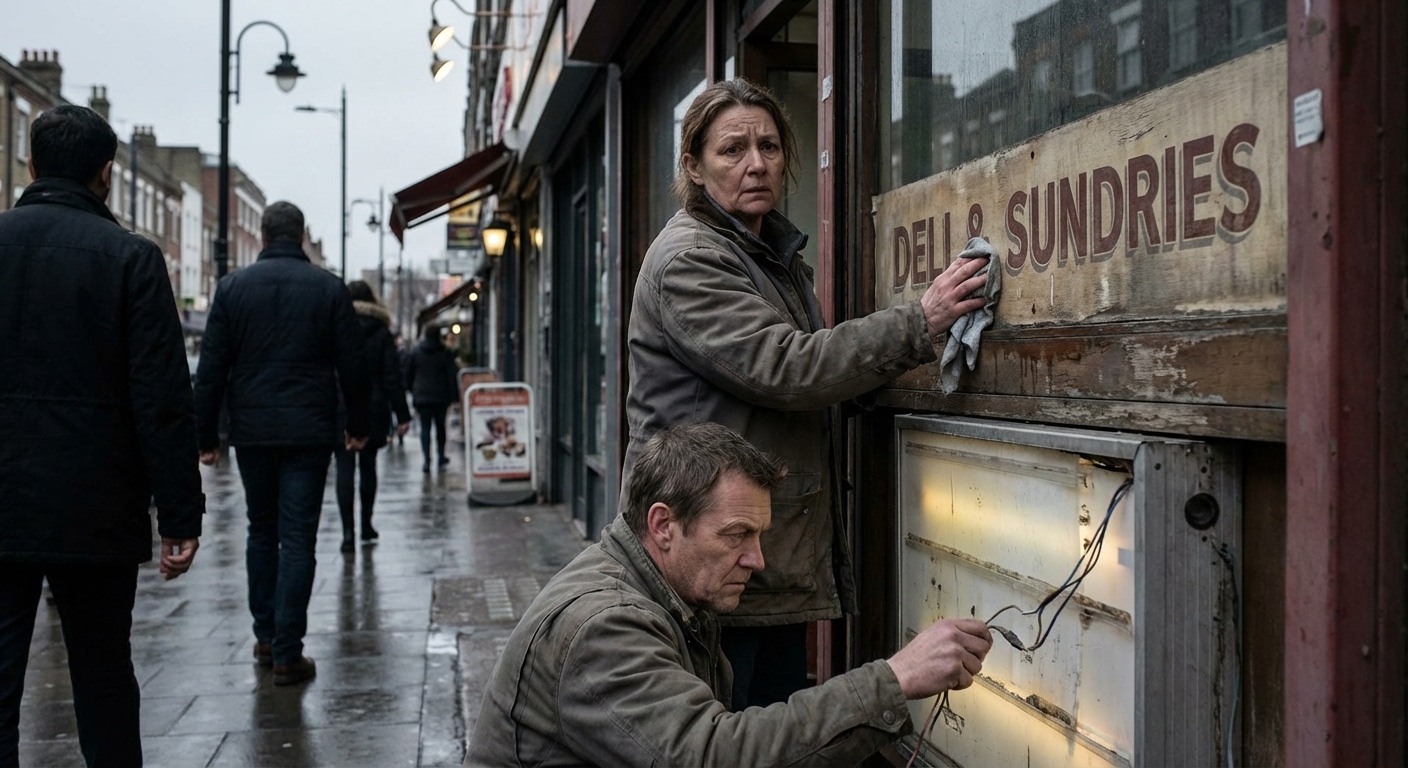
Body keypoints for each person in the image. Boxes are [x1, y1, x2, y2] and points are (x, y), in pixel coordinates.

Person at [621, 77, 993, 710]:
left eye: (768, 145)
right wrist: (919, 321)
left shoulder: (763, 251)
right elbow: (786, 367)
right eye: (732, 150)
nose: (756, 163)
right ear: (694, 165)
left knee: (773, 725)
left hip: (751, 546)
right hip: (708, 546)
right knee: (737, 735)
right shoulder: (691, 258)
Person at [468, 422, 992, 766]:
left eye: (760, 535)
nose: (757, 559)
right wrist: (893, 680)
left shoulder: (662, 587)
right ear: (663, 525)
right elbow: (713, 756)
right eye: (736, 534)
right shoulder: (604, 627)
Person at [0, 104, 203, 766]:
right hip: (96, 503)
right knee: (103, 673)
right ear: (107, 174)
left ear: (31, 165)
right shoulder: (132, 259)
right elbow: (162, 397)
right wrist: (179, 513)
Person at [194, 201, 370, 686]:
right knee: (297, 539)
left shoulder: (232, 289)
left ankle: (267, 636)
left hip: (252, 430)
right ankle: (288, 652)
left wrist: (205, 436)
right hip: (310, 430)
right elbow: (352, 366)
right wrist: (359, 424)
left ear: (266, 236)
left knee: (260, 530)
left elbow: (210, 371)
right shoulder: (328, 288)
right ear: (301, 236)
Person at [335, 280, 413, 553]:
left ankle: (348, 533)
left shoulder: (337, 327)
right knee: (368, 466)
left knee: (344, 469)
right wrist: (402, 414)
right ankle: (366, 524)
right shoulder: (381, 331)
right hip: (374, 406)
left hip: (341, 406)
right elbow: (393, 377)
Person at [404, 323, 460, 473]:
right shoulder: (444, 353)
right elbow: (451, 376)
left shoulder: (416, 352)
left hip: (422, 396)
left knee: (425, 428)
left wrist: (411, 390)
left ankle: (426, 460)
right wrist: (455, 398)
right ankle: (441, 455)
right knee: (440, 427)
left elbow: (408, 374)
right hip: (441, 396)